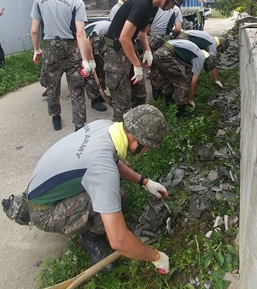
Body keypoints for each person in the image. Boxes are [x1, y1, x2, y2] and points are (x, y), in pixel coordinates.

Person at [25, 104, 170, 273]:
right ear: (138, 141)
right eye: (148, 147)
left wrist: (144, 182)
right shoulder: (102, 169)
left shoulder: (105, 126)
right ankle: (91, 239)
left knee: (112, 185)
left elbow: (111, 162)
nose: (146, 151)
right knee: (116, 194)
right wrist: (156, 257)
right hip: (43, 212)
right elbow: (119, 241)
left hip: (39, 187)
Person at [104, 0, 186, 121]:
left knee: (140, 95)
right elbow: (124, 38)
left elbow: (142, 32)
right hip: (115, 52)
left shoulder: (153, 7)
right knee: (122, 102)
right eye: (173, 3)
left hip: (129, 48)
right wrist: (137, 64)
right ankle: (120, 138)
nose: (172, 8)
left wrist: (147, 50)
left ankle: (137, 130)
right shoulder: (141, 4)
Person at [30, 0, 93, 132]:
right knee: (77, 88)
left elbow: (34, 30)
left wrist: (37, 49)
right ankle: (79, 126)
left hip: (50, 49)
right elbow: (81, 33)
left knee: (52, 85)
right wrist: (86, 61)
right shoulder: (77, 2)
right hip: (72, 49)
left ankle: (56, 118)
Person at [149, 38, 217, 117]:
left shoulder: (196, 53)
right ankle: (181, 111)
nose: (203, 68)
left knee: (171, 76)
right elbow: (193, 83)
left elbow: (188, 72)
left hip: (160, 52)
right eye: (205, 66)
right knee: (182, 81)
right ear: (207, 62)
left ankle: (168, 100)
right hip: (164, 54)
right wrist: (191, 100)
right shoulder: (200, 59)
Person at [84, 19, 111, 112]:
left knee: (102, 70)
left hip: (98, 48)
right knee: (91, 75)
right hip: (85, 47)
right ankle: (94, 100)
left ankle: (100, 95)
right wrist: (91, 61)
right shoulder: (104, 28)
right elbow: (87, 43)